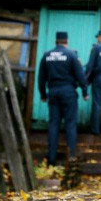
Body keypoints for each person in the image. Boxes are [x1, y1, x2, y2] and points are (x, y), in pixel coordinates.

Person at [38, 31, 89, 165]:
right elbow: (80, 76)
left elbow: (41, 78)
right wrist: (85, 92)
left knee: (53, 123)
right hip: (68, 92)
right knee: (70, 124)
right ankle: (71, 155)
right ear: (67, 41)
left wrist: (43, 94)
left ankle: (51, 158)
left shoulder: (46, 56)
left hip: (53, 92)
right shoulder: (72, 55)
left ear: (56, 41)